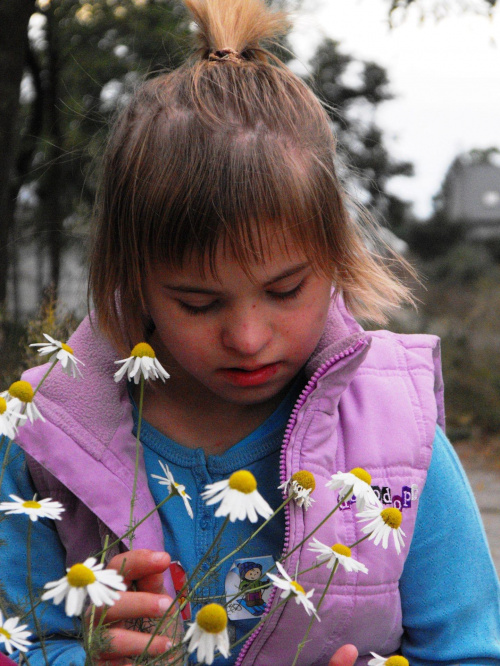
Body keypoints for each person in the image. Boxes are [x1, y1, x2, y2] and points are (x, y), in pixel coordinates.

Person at [1, 0, 500, 664]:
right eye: (198, 302)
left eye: (285, 290)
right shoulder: (45, 436)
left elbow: (470, 649)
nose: (247, 337)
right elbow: (19, 640)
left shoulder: (399, 443)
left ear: (336, 261)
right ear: (133, 278)